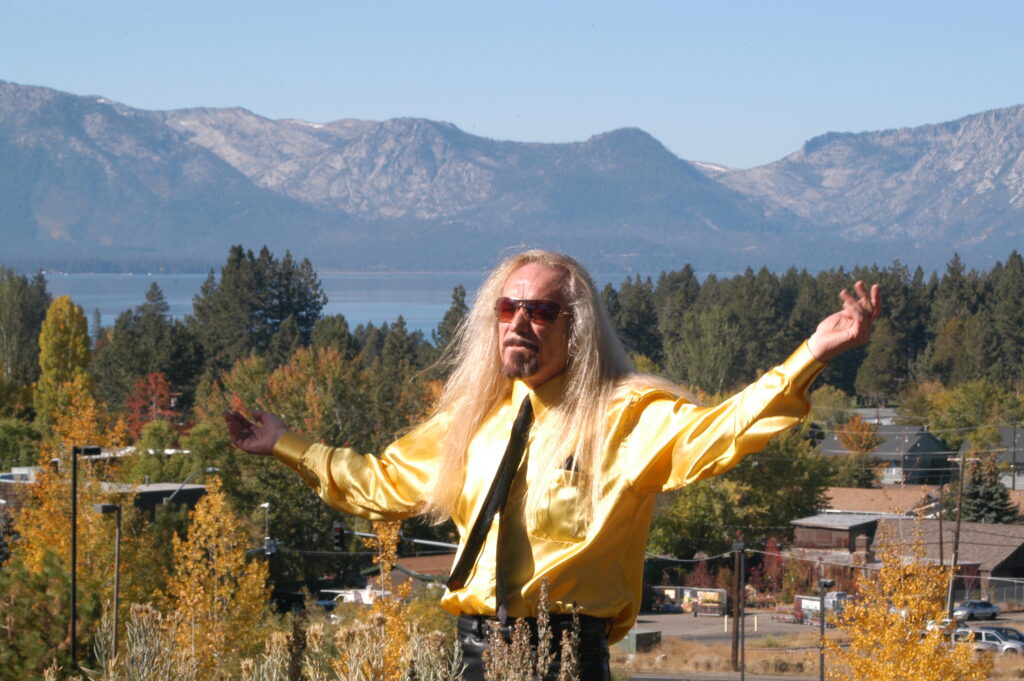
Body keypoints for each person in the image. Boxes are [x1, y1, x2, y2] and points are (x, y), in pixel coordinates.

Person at [226, 250, 880, 680]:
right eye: (507, 309)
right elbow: (379, 483)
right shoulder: (470, 420)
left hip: (565, 659)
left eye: (539, 311)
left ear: (577, 325)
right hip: (473, 655)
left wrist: (812, 356)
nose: (518, 323)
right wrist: (288, 445)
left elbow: (717, 432)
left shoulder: (623, 416)